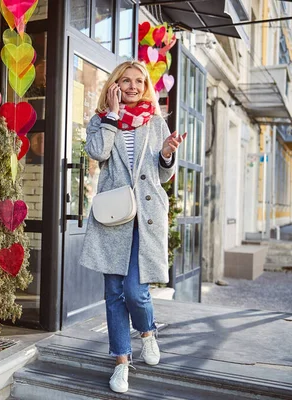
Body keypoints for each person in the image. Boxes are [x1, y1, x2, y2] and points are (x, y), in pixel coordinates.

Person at [79, 60, 185, 394]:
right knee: (113, 293)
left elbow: (164, 174)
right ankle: (121, 364)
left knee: (135, 291)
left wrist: (167, 154)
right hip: (114, 215)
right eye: (126, 81)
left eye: (139, 81)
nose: (133, 86)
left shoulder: (155, 122)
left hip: (147, 215)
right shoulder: (99, 121)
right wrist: (111, 115)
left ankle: (148, 332)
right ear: (114, 85)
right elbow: (98, 152)